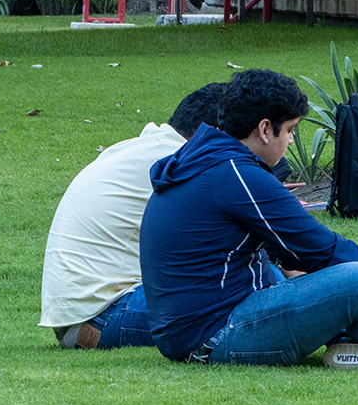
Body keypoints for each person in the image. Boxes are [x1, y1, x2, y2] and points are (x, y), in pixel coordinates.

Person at [141, 70, 358, 367]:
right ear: (266, 129)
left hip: (193, 331)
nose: (292, 141)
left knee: (317, 276)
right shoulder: (236, 175)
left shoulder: (204, 159)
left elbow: (287, 251)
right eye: (291, 130)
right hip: (214, 334)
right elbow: (319, 245)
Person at [40, 82, 224, 349]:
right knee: (235, 286)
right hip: (104, 315)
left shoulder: (142, 147)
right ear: (216, 132)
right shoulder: (176, 162)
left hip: (78, 317)